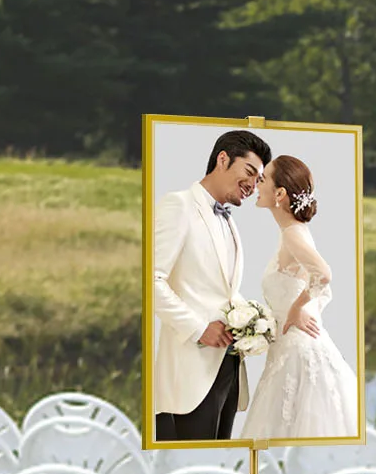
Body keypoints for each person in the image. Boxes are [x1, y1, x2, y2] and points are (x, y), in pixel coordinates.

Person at [150, 129, 270, 441]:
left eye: (259, 179)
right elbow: (150, 280)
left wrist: (257, 322)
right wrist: (199, 328)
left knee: (219, 467)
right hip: (188, 372)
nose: (253, 185)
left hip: (229, 369)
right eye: (249, 172)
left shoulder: (228, 220)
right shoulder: (178, 206)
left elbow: (221, 290)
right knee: (191, 473)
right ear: (222, 159)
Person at [239, 155, 359, 440]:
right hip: (287, 347)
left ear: (279, 194)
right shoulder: (293, 233)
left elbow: (324, 275)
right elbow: (315, 283)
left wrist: (296, 309)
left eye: (263, 178)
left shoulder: (293, 234)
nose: (257, 182)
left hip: (297, 350)